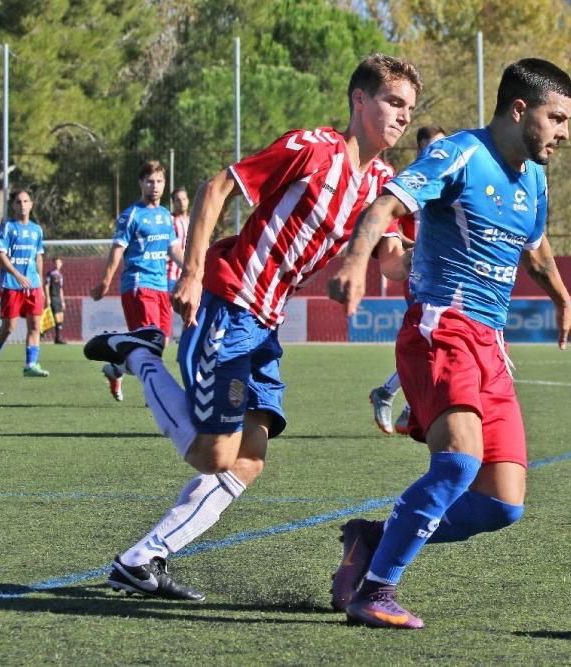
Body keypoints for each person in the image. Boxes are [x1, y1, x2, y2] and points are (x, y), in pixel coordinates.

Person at [81, 53, 423, 601]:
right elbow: (217, 188)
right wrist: (191, 273)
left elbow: (392, 260)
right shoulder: (313, 148)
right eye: (394, 102)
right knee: (214, 455)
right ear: (360, 101)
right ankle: (136, 352)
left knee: (250, 457)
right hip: (228, 303)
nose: (404, 116)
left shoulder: (381, 184)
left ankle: (142, 559)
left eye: (410, 108)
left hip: (265, 325)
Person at [328, 58, 571, 629]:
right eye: (556, 118)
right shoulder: (460, 153)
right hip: (441, 328)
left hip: (490, 344)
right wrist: (357, 261)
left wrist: (562, 299)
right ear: (520, 110)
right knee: (458, 462)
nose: (564, 132)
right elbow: (389, 202)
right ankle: (376, 590)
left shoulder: (535, 177)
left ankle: (372, 539)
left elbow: (534, 248)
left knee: (501, 503)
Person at [369, 124, 446, 435]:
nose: (437, 154)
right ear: (420, 151)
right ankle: (400, 402)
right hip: (417, 271)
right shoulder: (408, 183)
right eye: (430, 148)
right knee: (430, 339)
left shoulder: (451, 177)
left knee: (436, 341)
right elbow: (390, 228)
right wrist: (417, 246)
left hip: (445, 270)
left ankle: (400, 402)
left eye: (442, 147)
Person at [90, 160, 184, 401]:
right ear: (141, 183)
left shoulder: (165, 215)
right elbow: (117, 250)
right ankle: (154, 394)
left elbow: (174, 250)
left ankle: (115, 368)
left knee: (159, 345)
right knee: (148, 346)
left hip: (161, 287)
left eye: (159, 181)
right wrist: (105, 281)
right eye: (150, 181)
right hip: (138, 286)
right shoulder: (131, 215)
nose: (155, 186)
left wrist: (194, 271)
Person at [0, 190, 50, 377]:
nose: (22, 204)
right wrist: (17, 275)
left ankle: (31, 364)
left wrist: (40, 282)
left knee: (35, 325)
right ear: (13, 205)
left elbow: (38, 257)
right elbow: (0, 255)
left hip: (33, 286)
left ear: (31, 204)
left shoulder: (37, 230)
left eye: (26, 201)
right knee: (9, 327)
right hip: (12, 284)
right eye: (19, 201)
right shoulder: (8, 228)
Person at [168, 186, 190, 295]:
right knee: (168, 311)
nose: (182, 202)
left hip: (189, 277)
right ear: (173, 203)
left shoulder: (192, 221)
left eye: (184, 199)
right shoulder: (169, 220)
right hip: (170, 276)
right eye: (178, 200)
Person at [43, 257, 67, 344]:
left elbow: (61, 289)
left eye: (59, 263)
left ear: (61, 264)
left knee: (61, 317)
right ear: (53, 264)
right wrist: (47, 297)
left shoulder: (60, 275)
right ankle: (42, 334)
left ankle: (58, 338)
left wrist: (63, 301)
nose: (57, 264)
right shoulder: (50, 274)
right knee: (55, 317)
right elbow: (46, 286)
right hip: (52, 297)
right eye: (56, 263)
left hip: (58, 298)